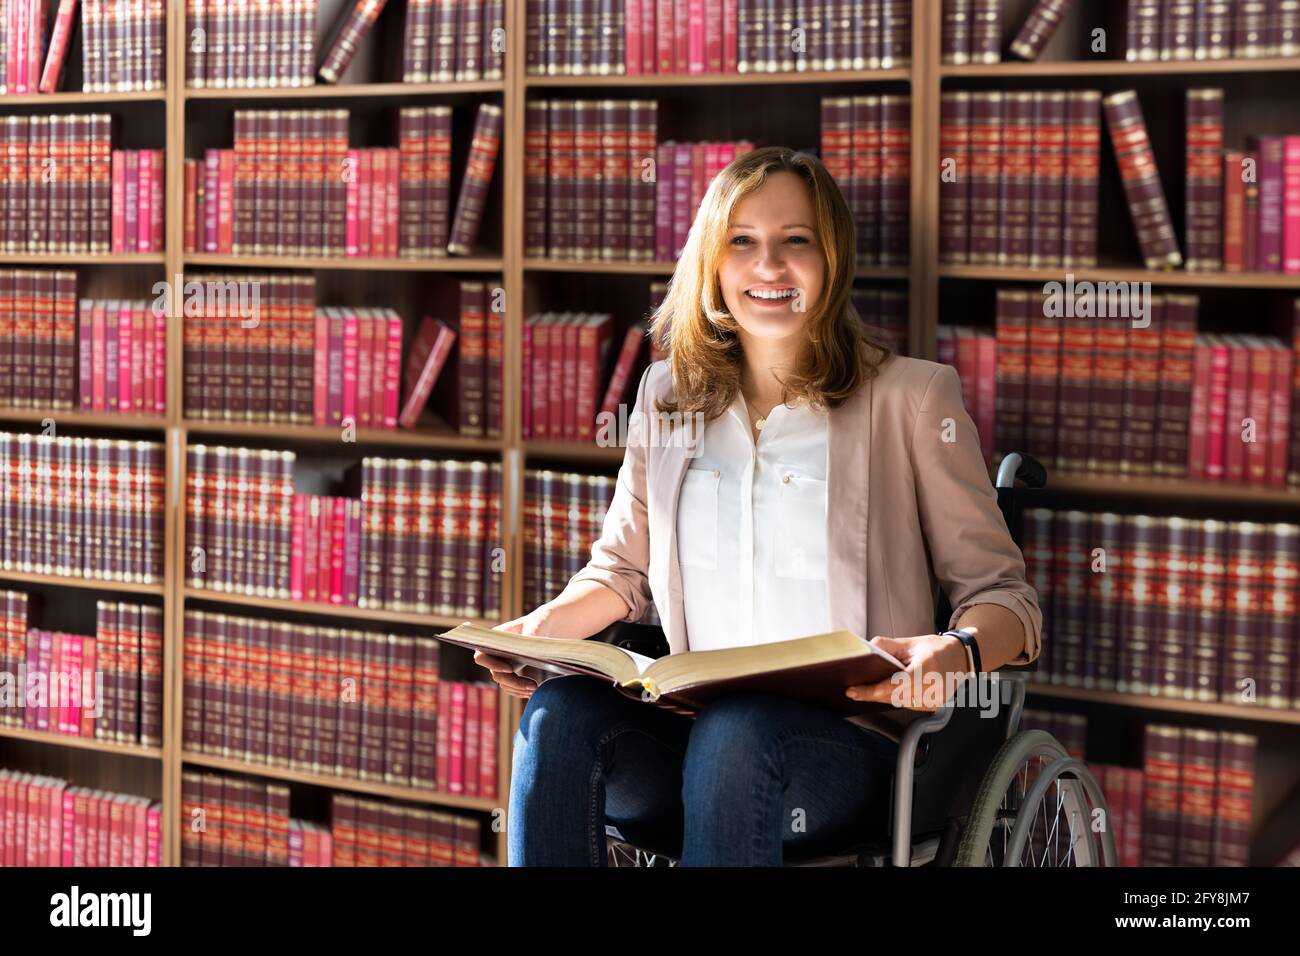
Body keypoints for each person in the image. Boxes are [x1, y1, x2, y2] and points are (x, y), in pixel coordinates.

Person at [474, 146, 1043, 866]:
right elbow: (620, 574)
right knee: (558, 714)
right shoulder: (666, 396)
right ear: (713, 262)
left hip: (852, 755)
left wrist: (956, 652)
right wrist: (538, 635)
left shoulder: (912, 399)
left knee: (738, 733)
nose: (768, 267)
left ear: (831, 258)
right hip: (686, 736)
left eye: (794, 241)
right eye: (742, 241)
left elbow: (1006, 600)